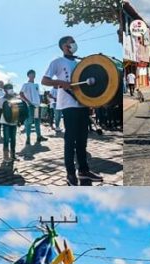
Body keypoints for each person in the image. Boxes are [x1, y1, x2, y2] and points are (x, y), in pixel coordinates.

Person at [42, 36, 103, 186]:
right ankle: (70, 173)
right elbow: (44, 80)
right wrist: (60, 82)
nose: (74, 44)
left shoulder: (79, 63)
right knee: (70, 140)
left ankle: (83, 171)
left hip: (82, 104)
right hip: (68, 105)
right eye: (71, 42)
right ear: (64, 46)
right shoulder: (57, 62)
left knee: (82, 140)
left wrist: (90, 102)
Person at [19, 69, 46, 147]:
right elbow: (21, 94)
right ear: (28, 75)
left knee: (37, 121)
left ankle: (39, 136)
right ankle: (28, 138)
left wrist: (40, 101)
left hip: (37, 106)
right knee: (29, 122)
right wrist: (28, 101)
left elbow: (38, 95)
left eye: (34, 74)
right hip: (30, 106)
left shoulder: (36, 85)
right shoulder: (25, 84)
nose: (33, 75)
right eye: (31, 74)